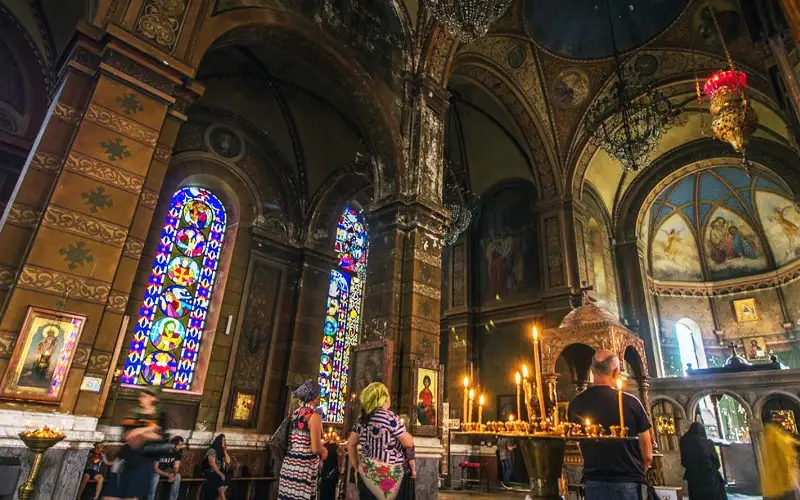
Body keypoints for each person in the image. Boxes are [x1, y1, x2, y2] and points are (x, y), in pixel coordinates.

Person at [567, 350, 653, 500]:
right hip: (628, 482)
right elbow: (647, 452)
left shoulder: (576, 404)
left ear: (592, 371)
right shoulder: (631, 403)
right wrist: (638, 469)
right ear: (616, 372)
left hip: (594, 482)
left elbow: (580, 443)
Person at [346, 382, 416, 500]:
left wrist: (357, 467)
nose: (389, 397)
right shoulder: (389, 417)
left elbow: (351, 444)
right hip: (389, 477)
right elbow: (408, 442)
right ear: (382, 398)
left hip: (367, 475)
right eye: (387, 394)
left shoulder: (362, 419)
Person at [102, 386, 173, 500]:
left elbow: (161, 439)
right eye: (140, 396)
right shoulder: (133, 414)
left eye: (144, 396)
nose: (140, 399)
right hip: (125, 459)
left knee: (132, 496)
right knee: (111, 496)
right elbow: (128, 436)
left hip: (143, 463)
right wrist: (147, 429)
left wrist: (138, 433)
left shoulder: (161, 416)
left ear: (153, 398)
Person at [277, 380, 328, 500]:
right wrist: (324, 451)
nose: (320, 397)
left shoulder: (294, 414)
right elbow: (315, 448)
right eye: (319, 394)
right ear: (314, 396)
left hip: (290, 463)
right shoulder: (314, 415)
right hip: (304, 466)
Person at [680, 422, 727, 500]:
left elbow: (684, 462)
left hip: (694, 478)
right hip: (710, 478)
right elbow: (716, 462)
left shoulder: (685, 442)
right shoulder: (707, 443)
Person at [760, 424, 800, 500]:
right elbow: (785, 463)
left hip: (770, 490)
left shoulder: (768, 439)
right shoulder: (780, 439)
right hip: (785, 486)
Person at [148, 436, 184, 500]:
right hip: (154, 470)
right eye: (180, 445)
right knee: (155, 478)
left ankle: (173, 499)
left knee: (177, 476)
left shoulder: (178, 451)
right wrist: (168, 475)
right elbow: (155, 468)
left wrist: (173, 474)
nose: (181, 446)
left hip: (167, 469)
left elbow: (176, 467)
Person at [204, 434, 231, 500]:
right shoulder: (212, 450)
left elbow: (228, 461)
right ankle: (223, 498)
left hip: (218, 472)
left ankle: (219, 498)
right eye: (223, 440)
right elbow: (212, 464)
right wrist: (220, 474)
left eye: (225, 441)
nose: (224, 442)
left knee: (228, 477)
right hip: (210, 471)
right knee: (219, 478)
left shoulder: (221, 451)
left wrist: (225, 451)